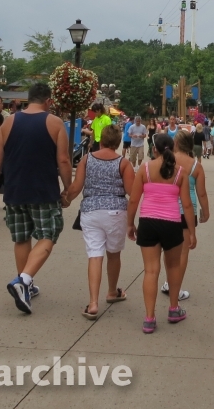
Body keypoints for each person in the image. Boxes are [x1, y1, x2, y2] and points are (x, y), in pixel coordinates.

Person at [0, 82, 72, 315]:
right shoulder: (54, 123)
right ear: (48, 101)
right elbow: (63, 160)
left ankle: (26, 284)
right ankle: (23, 281)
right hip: (43, 190)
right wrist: (68, 188)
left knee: (21, 238)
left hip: (14, 190)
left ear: (28, 99)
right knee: (48, 234)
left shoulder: (8, 123)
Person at [127, 132, 195, 333]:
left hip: (148, 222)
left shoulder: (145, 169)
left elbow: (133, 199)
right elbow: (188, 205)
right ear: (172, 149)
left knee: (150, 271)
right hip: (172, 223)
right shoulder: (180, 172)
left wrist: (130, 224)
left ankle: (149, 318)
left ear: (153, 149)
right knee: (173, 267)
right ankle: (174, 309)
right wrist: (191, 231)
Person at [65, 124, 134, 320]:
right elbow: (131, 191)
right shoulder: (123, 163)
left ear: (101, 140)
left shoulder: (87, 159)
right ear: (118, 142)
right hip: (116, 212)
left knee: (95, 255)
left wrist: (66, 198)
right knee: (114, 254)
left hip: (91, 210)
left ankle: (93, 303)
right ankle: (112, 291)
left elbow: (77, 186)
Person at [161, 131, 209, 302]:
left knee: (168, 251)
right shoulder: (195, 166)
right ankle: (176, 288)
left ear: (176, 143)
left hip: (166, 210)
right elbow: (201, 193)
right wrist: (206, 211)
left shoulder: (167, 162)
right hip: (186, 213)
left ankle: (168, 282)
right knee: (182, 252)